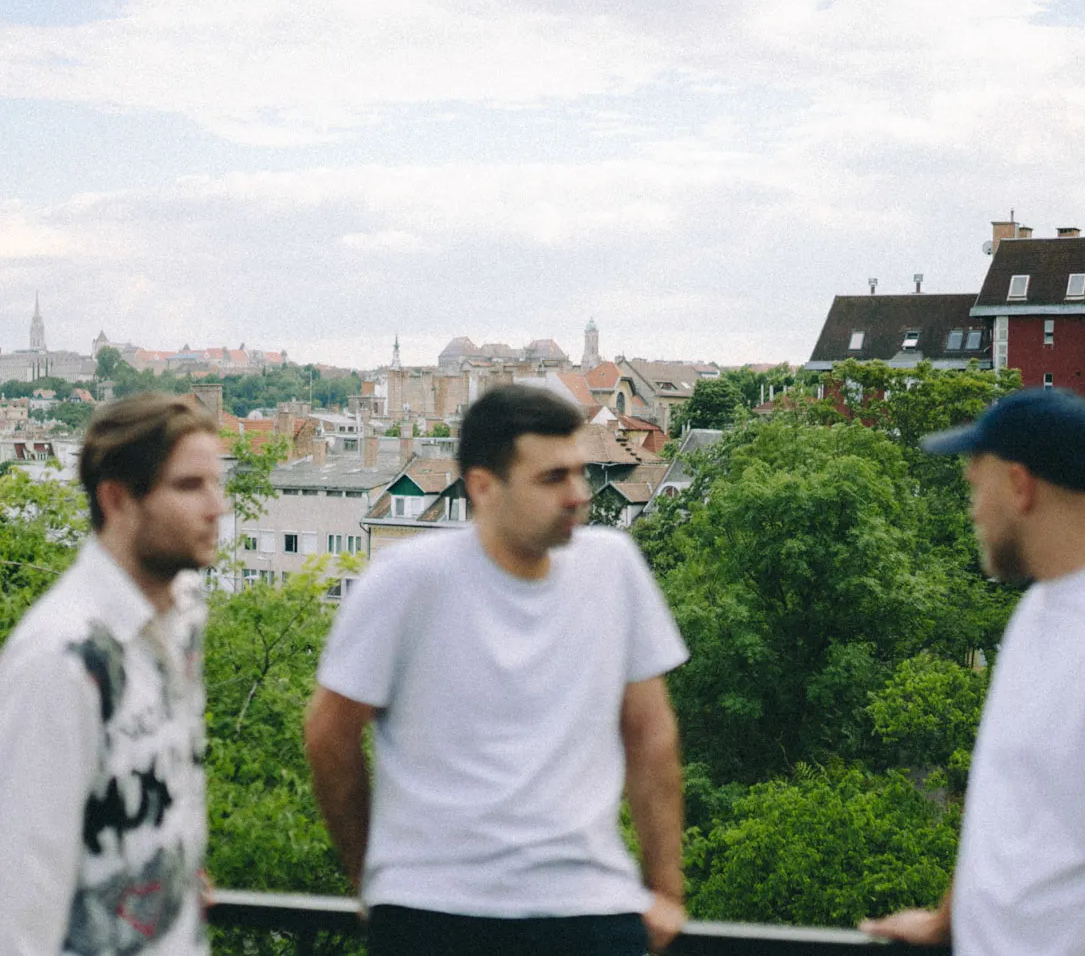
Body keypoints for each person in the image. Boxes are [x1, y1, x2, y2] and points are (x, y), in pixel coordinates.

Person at [305, 384, 689, 956]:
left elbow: (651, 734)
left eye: (579, 473)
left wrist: (666, 888)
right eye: (552, 478)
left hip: (585, 908)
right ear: (483, 487)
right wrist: (376, 878)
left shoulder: (614, 567)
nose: (578, 494)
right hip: (435, 915)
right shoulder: (407, 579)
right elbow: (329, 733)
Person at [860, 387, 1085, 955]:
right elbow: (1013, 803)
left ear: (1020, 486)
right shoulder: (1039, 610)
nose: (972, 511)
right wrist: (947, 920)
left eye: (976, 488)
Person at [0, 393, 225, 956]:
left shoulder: (182, 614)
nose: (217, 507)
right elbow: (21, 897)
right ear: (117, 499)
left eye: (216, 484)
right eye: (189, 486)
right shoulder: (60, 659)